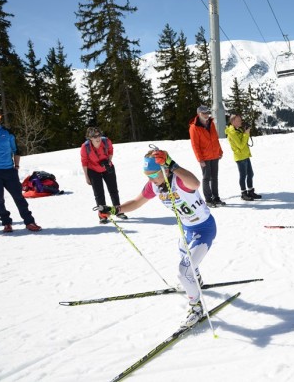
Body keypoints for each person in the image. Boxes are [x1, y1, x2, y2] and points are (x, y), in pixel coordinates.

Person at [96, 149, 217, 327]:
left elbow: (195, 183)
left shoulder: (178, 181)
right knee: (184, 257)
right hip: (186, 229)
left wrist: (173, 164)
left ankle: (196, 306)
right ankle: (195, 279)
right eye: (147, 174)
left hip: (204, 229)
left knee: (183, 271)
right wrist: (115, 210)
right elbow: (137, 202)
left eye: (153, 174)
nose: (150, 178)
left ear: (165, 169)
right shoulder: (154, 185)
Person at [81, 127, 126, 224]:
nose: (98, 138)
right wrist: (86, 176)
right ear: (90, 138)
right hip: (93, 170)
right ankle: (103, 214)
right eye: (94, 136)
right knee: (99, 193)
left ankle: (118, 211)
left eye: (99, 135)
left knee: (113, 189)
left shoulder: (106, 141)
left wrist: (108, 162)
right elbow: (84, 162)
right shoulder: (85, 147)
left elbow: (110, 151)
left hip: (107, 168)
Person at [189, 105, 224, 207]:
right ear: (199, 114)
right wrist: (200, 159)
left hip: (214, 155)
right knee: (206, 178)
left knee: (215, 177)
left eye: (207, 113)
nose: (206, 115)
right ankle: (208, 200)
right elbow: (195, 145)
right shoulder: (194, 127)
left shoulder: (211, 123)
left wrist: (219, 151)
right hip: (204, 157)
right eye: (204, 113)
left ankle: (216, 198)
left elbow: (215, 139)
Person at [225, 114, 261, 201]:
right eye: (238, 120)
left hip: (245, 155)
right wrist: (246, 134)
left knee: (250, 174)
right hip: (240, 157)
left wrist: (245, 132)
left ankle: (250, 191)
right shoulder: (232, 132)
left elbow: (243, 141)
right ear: (233, 122)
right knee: (243, 176)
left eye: (240, 120)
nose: (241, 122)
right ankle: (243, 193)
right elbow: (240, 145)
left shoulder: (239, 129)